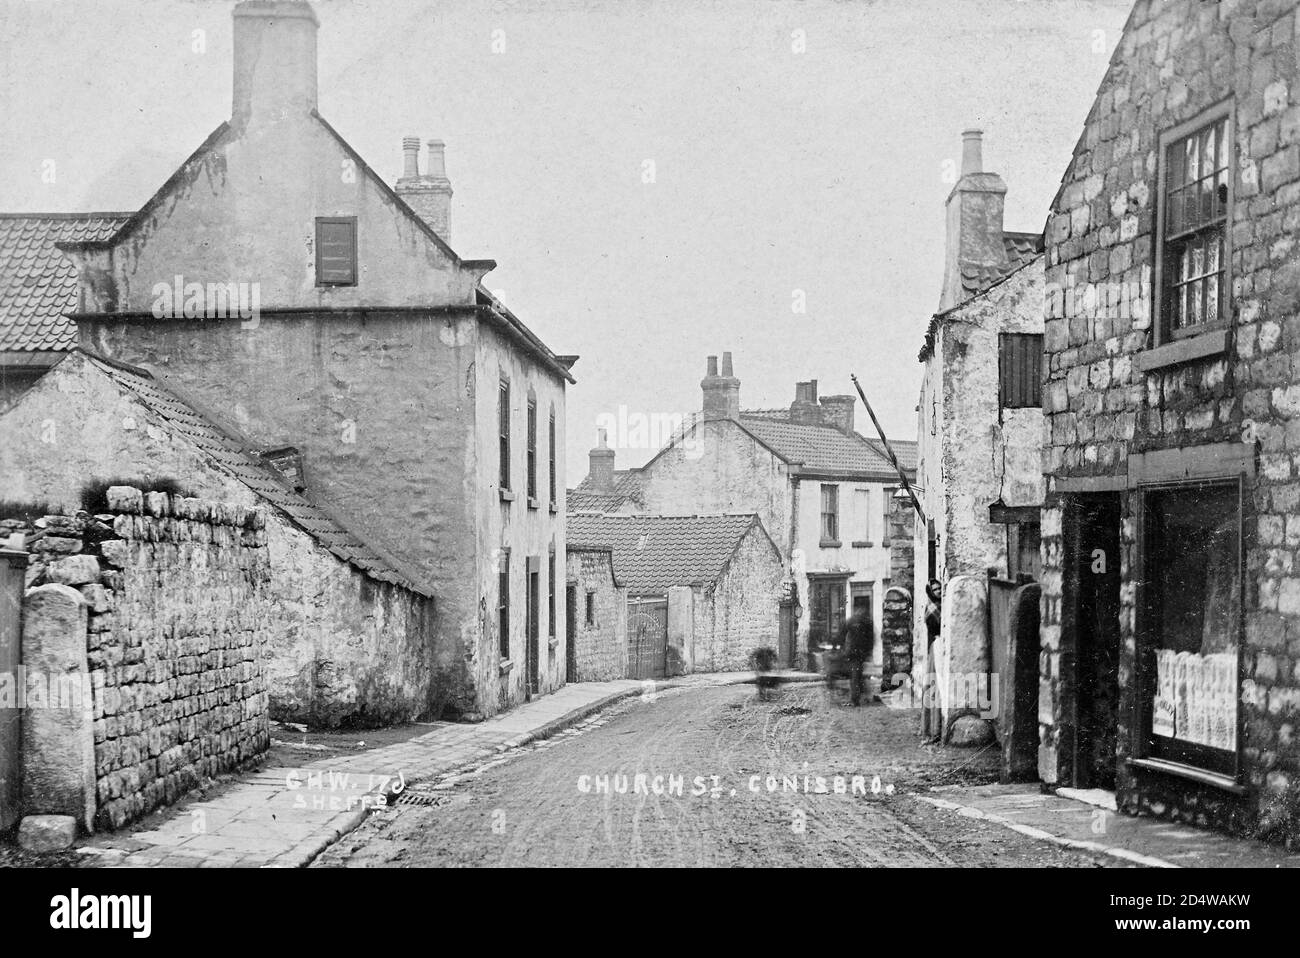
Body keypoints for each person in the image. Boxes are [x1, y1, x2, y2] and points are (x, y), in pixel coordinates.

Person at [839, 608, 874, 706]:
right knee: (857, 674)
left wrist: (843, 648)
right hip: (859, 653)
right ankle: (862, 695)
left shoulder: (851, 621)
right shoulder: (867, 622)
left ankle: (855, 699)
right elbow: (871, 639)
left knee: (855, 675)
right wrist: (868, 652)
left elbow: (842, 634)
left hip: (852, 652)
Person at [924, 579, 943, 742]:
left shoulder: (941, 606)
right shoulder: (932, 608)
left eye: (939, 588)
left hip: (940, 648)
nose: (938, 591)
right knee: (934, 685)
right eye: (935, 589)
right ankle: (934, 727)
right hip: (936, 648)